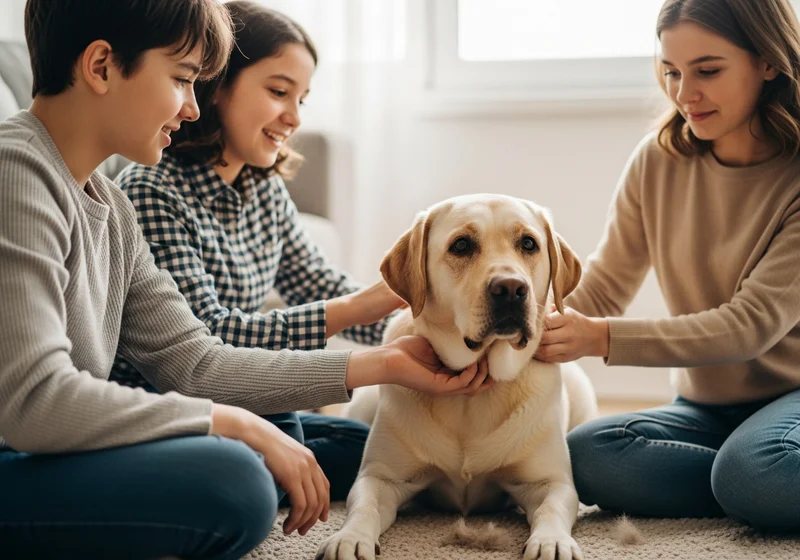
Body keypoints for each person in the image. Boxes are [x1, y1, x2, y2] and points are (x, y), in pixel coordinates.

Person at [0, 1, 491, 558]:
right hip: (20, 453)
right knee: (237, 483)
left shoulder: (111, 208)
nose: (192, 106)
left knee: (395, 457)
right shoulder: (16, 171)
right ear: (102, 66)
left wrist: (387, 364)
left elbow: (194, 361)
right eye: (183, 79)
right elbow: (34, 402)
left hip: (58, 446)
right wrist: (231, 423)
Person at [108, 1, 406, 504]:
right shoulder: (152, 189)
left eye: (302, 99)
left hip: (244, 387)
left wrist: (425, 327)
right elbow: (209, 338)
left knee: (388, 451)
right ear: (218, 85)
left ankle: (285, 446)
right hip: (172, 401)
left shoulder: (261, 187)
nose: (293, 117)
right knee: (291, 426)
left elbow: (316, 282)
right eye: (278, 91)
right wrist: (362, 309)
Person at [535, 0, 800, 530]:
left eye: (707, 71)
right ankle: (747, 481)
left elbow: (748, 327)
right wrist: (528, 327)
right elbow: (605, 285)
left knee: (756, 470)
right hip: (705, 408)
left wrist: (600, 338)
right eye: (671, 72)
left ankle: (753, 476)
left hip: (794, 397)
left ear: (768, 61)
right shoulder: (658, 160)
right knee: (585, 453)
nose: (684, 94)